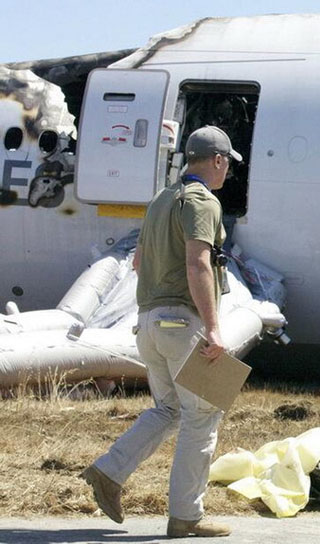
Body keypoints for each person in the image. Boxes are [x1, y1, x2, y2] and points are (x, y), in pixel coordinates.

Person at [81, 126, 241, 538]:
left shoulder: (160, 200)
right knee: (202, 416)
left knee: (168, 409)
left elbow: (137, 264)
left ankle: (109, 472)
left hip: (149, 324)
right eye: (228, 165)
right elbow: (198, 265)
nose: (228, 174)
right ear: (218, 161)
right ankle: (186, 515)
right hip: (181, 323)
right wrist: (213, 328)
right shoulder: (202, 202)